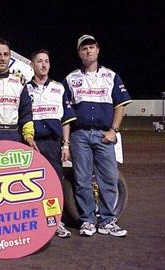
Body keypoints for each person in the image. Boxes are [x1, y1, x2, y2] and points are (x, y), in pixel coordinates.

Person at [63, 34, 132, 237]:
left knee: (109, 178)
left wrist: (114, 130)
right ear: (79, 53)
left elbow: (120, 105)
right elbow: (65, 110)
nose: (88, 51)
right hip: (80, 136)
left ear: (97, 50)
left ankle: (108, 220)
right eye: (84, 48)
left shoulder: (111, 76)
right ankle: (87, 221)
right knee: (82, 179)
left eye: (91, 47)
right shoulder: (70, 78)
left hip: (104, 135)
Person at [26, 49, 76, 238]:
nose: (44, 64)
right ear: (32, 65)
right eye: (39, 61)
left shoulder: (59, 88)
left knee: (54, 183)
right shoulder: (25, 88)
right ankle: (36, 221)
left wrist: (65, 144)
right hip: (31, 144)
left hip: (53, 143)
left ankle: (56, 221)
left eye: (46, 61)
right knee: (31, 185)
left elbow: (66, 120)